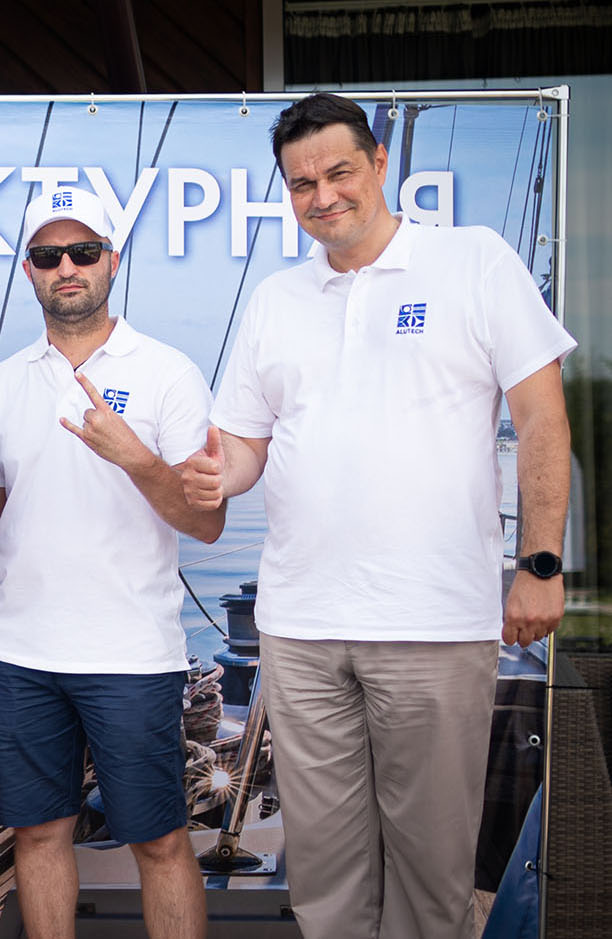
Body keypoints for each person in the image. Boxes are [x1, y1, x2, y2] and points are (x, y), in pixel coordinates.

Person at [181, 92, 575, 939]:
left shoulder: (473, 261)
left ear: (379, 164)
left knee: (431, 877)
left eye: (339, 172)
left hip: (434, 622)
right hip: (302, 627)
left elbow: (543, 417)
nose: (322, 196)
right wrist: (216, 475)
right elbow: (245, 444)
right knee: (324, 879)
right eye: (301, 183)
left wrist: (541, 564)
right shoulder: (277, 298)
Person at [0, 188, 221, 939]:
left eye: (82, 251)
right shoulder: (1, 385)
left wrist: (137, 459)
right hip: (21, 655)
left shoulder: (168, 373)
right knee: (38, 835)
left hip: (130, 654)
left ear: (112, 259)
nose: (66, 267)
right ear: (29, 270)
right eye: (48, 256)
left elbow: (206, 522)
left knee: (160, 840)